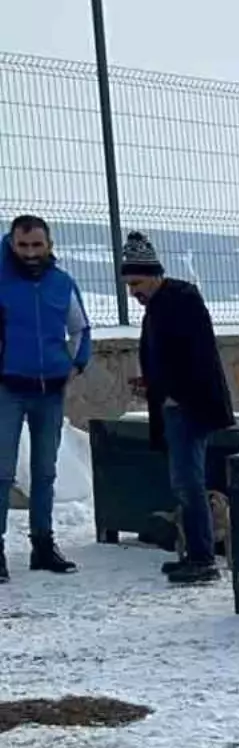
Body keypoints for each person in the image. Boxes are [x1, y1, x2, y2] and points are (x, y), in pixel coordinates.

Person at [120, 232, 234, 587]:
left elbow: (195, 357)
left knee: (189, 482)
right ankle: (196, 552)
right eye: (128, 284)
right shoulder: (161, 304)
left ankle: (202, 557)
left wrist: (172, 392)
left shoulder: (180, 300)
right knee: (184, 483)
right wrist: (153, 385)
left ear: (153, 274)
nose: (133, 291)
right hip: (177, 404)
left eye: (136, 282)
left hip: (188, 406)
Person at [0, 213, 91, 579]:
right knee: (2, 472)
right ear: (11, 244)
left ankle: (43, 543)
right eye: (23, 245)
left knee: (44, 471)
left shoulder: (62, 283)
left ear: (49, 245)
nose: (30, 253)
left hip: (49, 391)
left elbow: (80, 327)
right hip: (7, 387)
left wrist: (76, 364)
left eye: (37, 245)